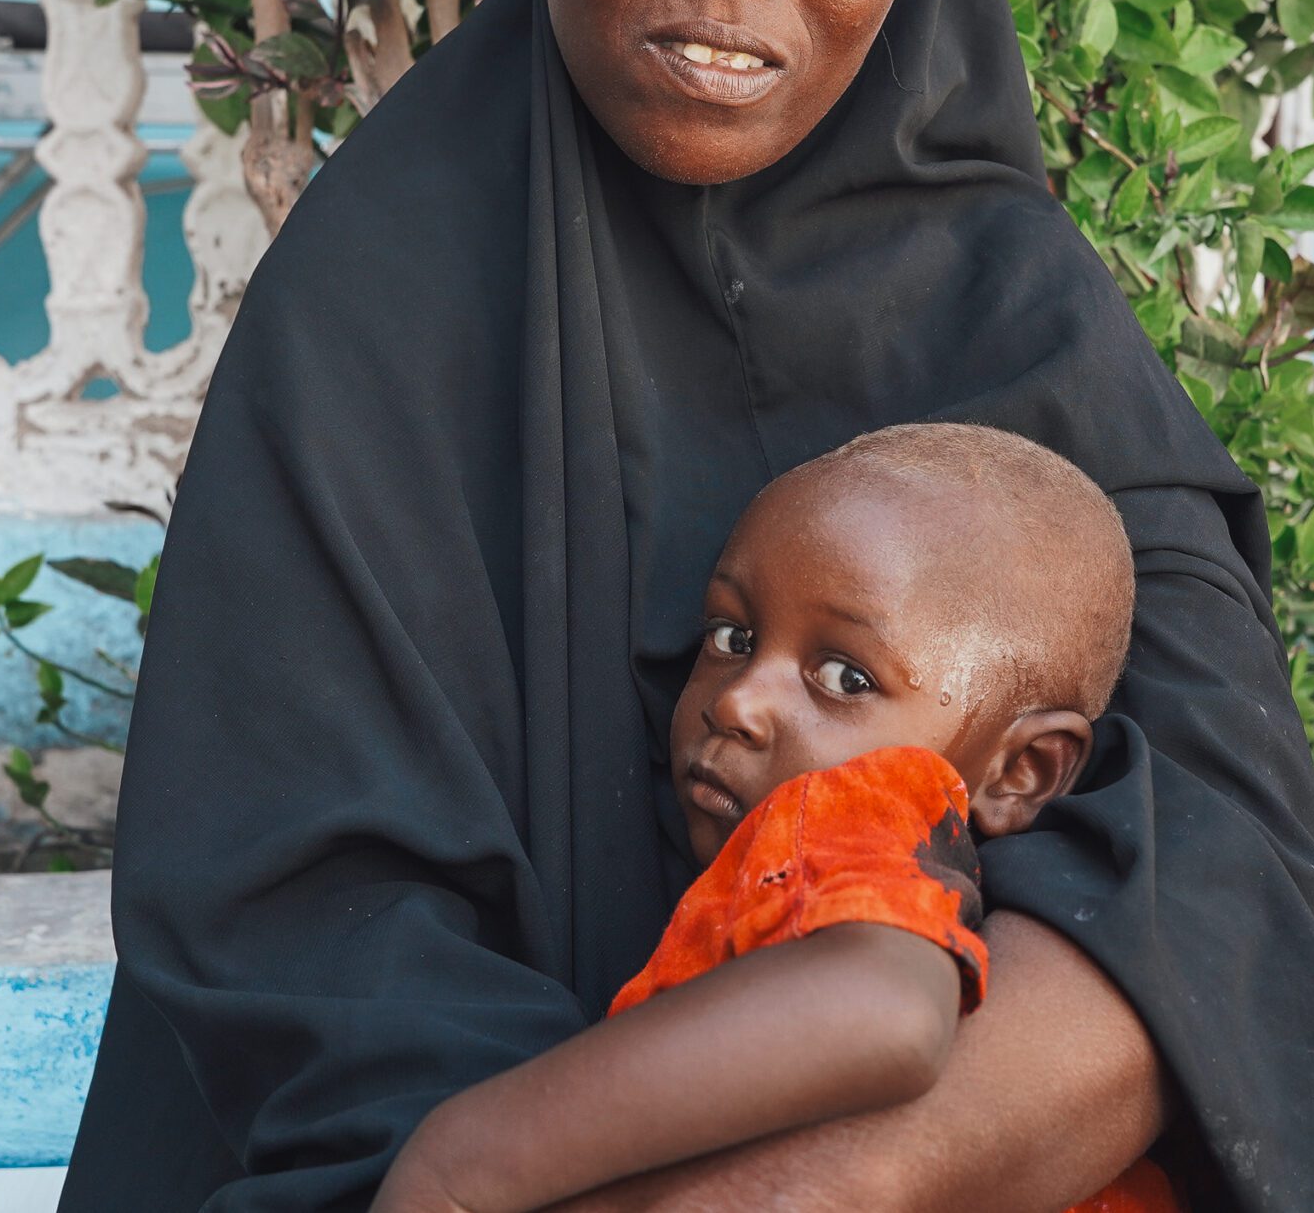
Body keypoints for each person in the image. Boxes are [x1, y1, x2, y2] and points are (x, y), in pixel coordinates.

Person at [58, 0, 1314, 1213]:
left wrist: (792, 1195)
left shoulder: (1027, 321)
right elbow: (300, 933)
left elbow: (1211, 905)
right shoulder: (377, 302)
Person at [372, 424, 1178, 1213]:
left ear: (1020, 772)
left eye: (844, 677)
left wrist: (464, 1155)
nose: (738, 700)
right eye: (732, 635)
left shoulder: (853, 803)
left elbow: (886, 1011)